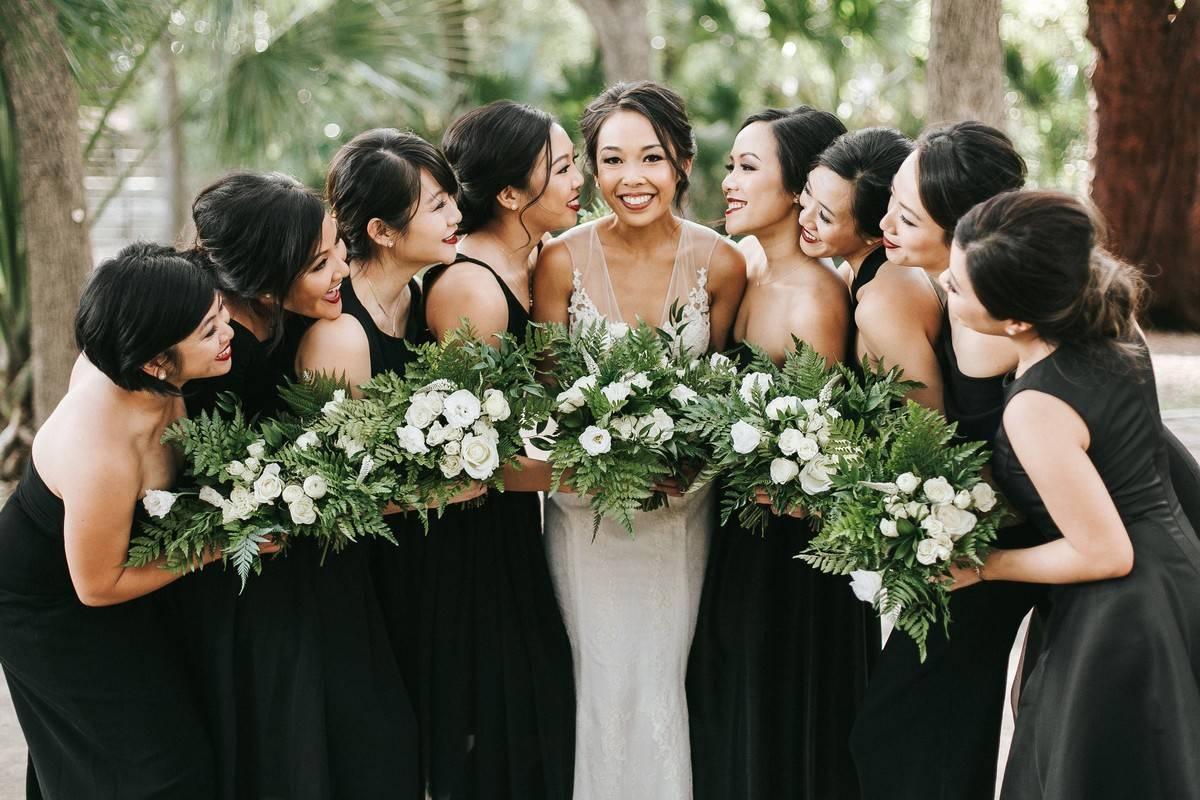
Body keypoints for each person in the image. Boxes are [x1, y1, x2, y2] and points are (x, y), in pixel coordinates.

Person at [944, 190, 1200, 799]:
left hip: (1122, 615)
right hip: (1180, 570)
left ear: (1016, 320)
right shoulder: (1113, 323)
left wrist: (982, 567)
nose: (944, 289)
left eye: (956, 286)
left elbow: (1105, 552)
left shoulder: (1036, 407)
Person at [532, 80, 746, 800]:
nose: (632, 179)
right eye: (612, 160)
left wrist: (689, 457)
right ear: (592, 169)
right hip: (584, 511)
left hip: (682, 513)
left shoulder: (722, 264)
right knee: (596, 673)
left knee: (664, 677)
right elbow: (542, 392)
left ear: (683, 163)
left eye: (651, 158)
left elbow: (732, 394)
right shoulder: (559, 261)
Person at [180, 170, 420, 799]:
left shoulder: (294, 319)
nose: (342, 266)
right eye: (320, 262)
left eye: (338, 245)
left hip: (319, 570)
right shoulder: (204, 357)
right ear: (263, 277)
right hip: (246, 580)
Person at [848, 121, 1039, 800]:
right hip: (996, 534)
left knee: (904, 729)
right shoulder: (952, 289)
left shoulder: (996, 311)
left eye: (905, 215)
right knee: (920, 731)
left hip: (1031, 536)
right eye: (888, 204)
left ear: (964, 226)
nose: (884, 224)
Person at [0, 243, 233, 799]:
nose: (227, 331)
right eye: (208, 329)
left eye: (221, 313)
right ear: (155, 363)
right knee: (148, 765)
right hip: (45, 602)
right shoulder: (101, 452)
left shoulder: (142, 348)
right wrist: (216, 545)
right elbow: (98, 586)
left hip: (110, 562)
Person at [685, 106, 866, 800]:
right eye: (730, 165)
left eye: (748, 167)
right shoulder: (749, 266)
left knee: (779, 727)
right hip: (736, 537)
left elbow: (828, 449)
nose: (729, 181)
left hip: (791, 560)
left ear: (801, 189)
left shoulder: (815, 299)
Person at [797, 127, 913, 380]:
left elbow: (930, 416)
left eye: (825, 217)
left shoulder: (883, 305)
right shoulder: (853, 270)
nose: (805, 217)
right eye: (808, 191)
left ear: (877, 232)